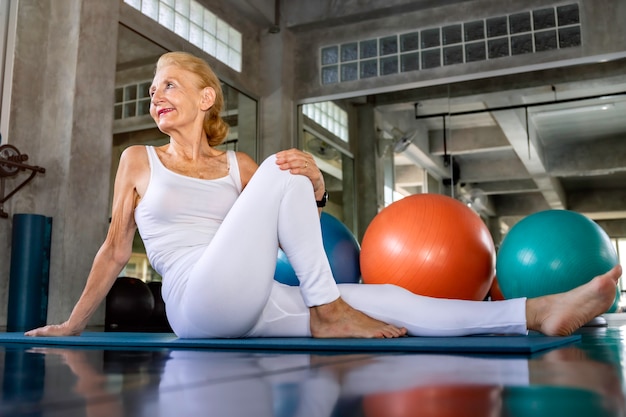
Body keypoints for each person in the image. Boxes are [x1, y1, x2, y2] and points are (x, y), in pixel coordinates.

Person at [26, 51, 622, 340]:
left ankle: (536, 313)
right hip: (194, 302)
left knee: (389, 295)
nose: (156, 95)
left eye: (170, 84)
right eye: (153, 88)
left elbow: (284, 222)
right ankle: (328, 310)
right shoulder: (138, 160)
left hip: (260, 298)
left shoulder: (239, 166)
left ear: (206, 99)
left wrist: (313, 184)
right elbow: (112, 250)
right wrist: (73, 324)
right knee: (288, 175)